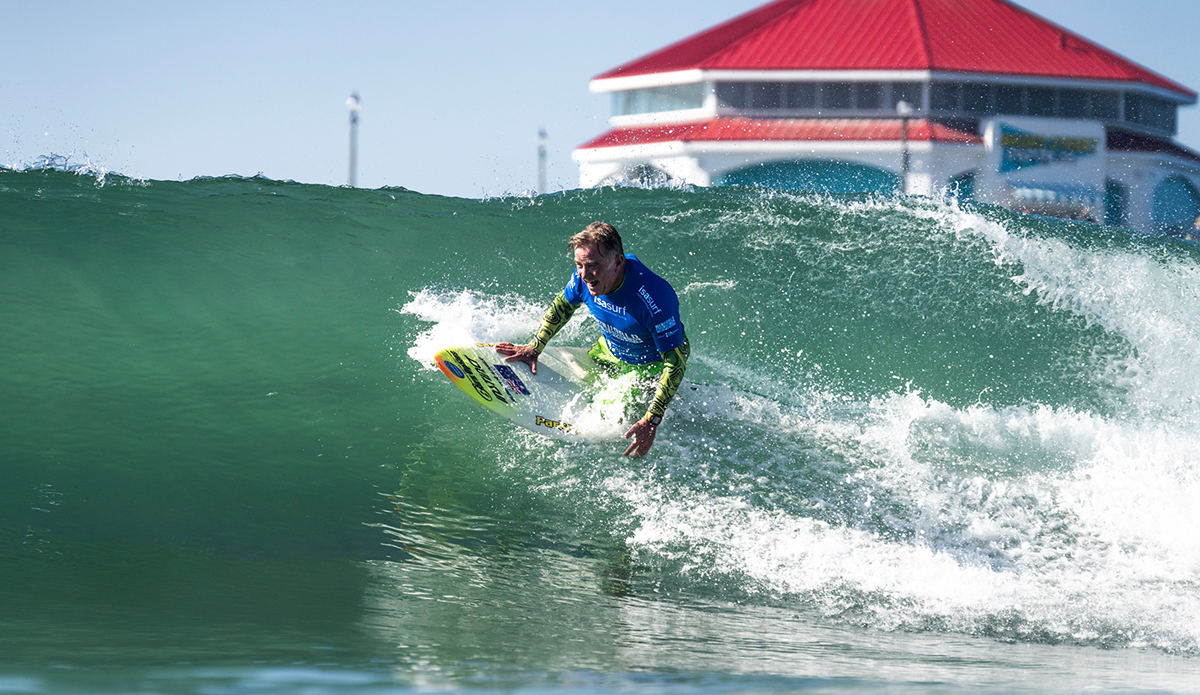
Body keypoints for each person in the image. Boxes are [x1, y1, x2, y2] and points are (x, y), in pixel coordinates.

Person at [495, 222, 689, 458]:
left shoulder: (654, 298)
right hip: (611, 348)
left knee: (609, 414)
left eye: (593, 266)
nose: (585, 275)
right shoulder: (583, 279)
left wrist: (652, 419)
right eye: (579, 265)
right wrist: (535, 347)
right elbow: (563, 306)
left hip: (650, 365)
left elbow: (675, 361)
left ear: (618, 262)